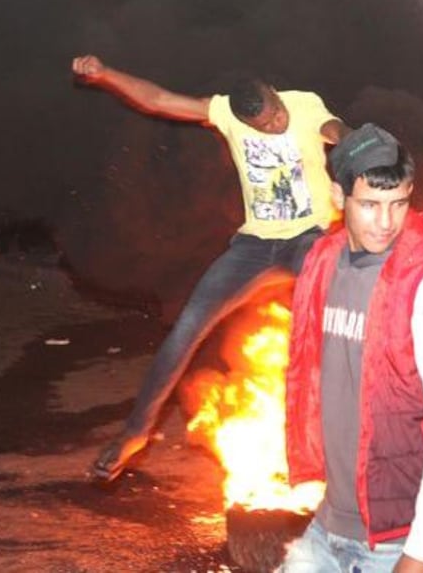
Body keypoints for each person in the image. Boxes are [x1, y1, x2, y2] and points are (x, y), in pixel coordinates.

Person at [71, 55, 351, 481]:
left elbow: (338, 132)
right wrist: (105, 75)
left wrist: (359, 148)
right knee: (186, 328)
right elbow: (159, 99)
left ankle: (357, 437)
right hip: (255, 245)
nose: (275, 126)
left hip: (308, 240)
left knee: (342, 319)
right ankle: (135, 433)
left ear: (276, 97)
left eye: (276, 117)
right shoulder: (225, 112)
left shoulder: (305, 105)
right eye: (264, 126)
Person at [282, 124, 423, 572]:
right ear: (337, 196)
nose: (386, 222)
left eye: (399, 204)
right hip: (328, 525)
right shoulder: (322, 263)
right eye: (369, 205)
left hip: (394, 541)